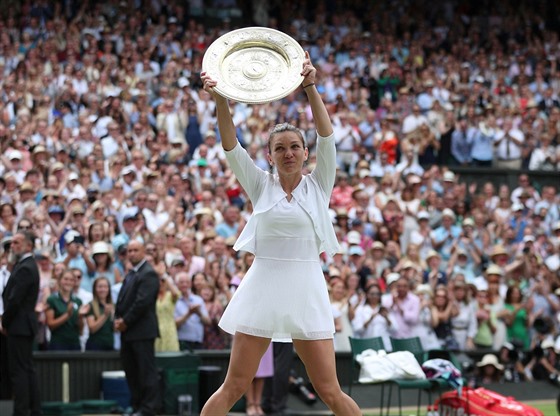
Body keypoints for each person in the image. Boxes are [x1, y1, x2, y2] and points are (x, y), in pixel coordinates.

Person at [200, 52, 361, 415]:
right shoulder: (260, 185)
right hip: (263, 288)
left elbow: (327, 135)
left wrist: (310, 87)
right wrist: (221, 100)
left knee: (330, 391)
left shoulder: (320, 185)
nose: (288, 153)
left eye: (294, 147)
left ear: (305, 152)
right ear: (270, 156)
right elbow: (230, 145)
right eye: (279, 149)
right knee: (235, 386)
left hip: (307, 290)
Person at [114, 240, 160, 416]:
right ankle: (137, 405)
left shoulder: (148, 273)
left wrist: (125, 321)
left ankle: (149, 408)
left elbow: (142, 302)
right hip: (128, 332)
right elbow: (122, 301)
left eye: (135, 250)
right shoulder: (132, 273)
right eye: (129, 251)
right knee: (132, 372)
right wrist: (118, 320)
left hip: (141, 331)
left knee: (145, 372)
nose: (131, 253)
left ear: (143, 252)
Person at [1, 231, 42, 416]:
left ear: (28, 246)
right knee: (27, 369)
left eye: (17, 242)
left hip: (18, 325)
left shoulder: (25, 267)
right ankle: (33, 409)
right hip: (23, 325)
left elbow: (14, 300)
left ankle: (22, 411)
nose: (13, 246)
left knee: (19, 372)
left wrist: (4, 321)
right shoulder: (25, 265)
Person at [84, 276, 115, 351]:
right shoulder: (90, 305)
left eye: (105, 287)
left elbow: (114, 329)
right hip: (95, 346)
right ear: (95, 289)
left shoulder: (113, 306)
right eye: (100, 287)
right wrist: (105, 315)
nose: (103, 289)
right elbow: (92, 328)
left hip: (109, 345)